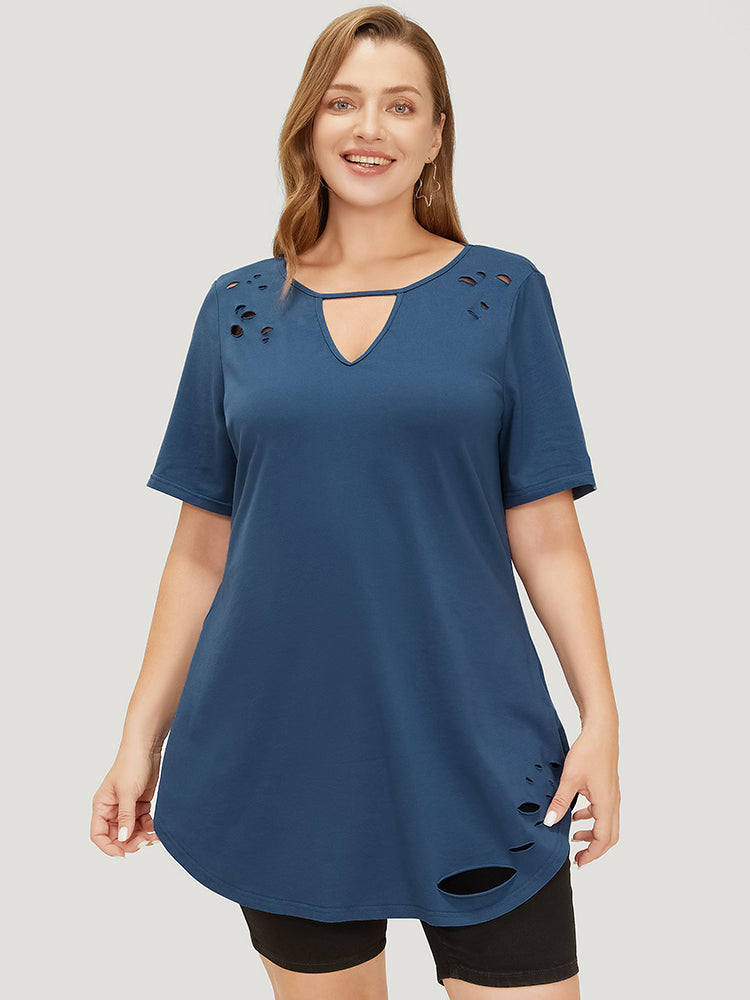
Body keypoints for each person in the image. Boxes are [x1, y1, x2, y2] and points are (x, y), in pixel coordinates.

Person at [91, 6, 620, 998]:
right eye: (343, 102)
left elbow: (547, 533)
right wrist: (136, 740)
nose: (369, 127)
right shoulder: (238, 309)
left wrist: (601, 716)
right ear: (309, 124)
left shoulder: (504, 294)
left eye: (400, 105)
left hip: (474, 737)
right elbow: (200, 551)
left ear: (435, 135)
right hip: (283, 743)